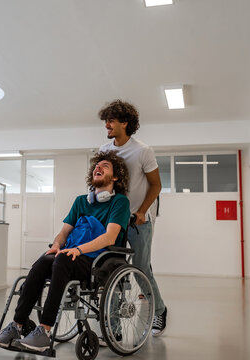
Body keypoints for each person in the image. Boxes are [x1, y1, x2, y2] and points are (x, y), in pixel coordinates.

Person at [0, 151, 130, 353]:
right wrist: (57, 245)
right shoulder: (82, 201)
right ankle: (17, 325)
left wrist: (78, 249)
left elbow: (109, 237)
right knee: (44, 260)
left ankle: (44, 331)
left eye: (105, 166)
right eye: (96, 166)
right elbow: (64, 232)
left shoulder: (120, 202)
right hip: (70, 256)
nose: (98, 168)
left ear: (116, 177)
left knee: (62, 260)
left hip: (98, 261)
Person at [98, 99, 167, 336]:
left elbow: (156, 185)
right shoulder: (103, 151)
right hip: (113, 221)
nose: (106, 125)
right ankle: (114, 326)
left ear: (125, 123)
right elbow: (100, 183)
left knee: (141, 268)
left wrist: (142, 211)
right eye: (106, 121)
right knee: (112, 270)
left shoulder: (143, 151)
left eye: (111, 121)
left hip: (139, 221)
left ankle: (159, 311)